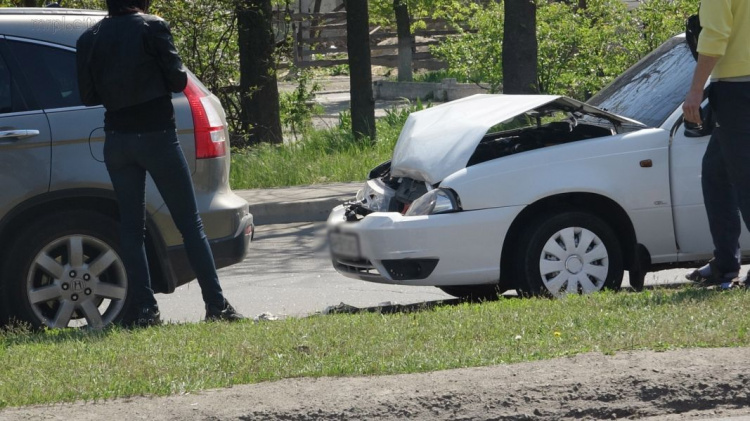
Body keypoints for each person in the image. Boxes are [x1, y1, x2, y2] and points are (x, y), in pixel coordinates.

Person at [76, 0, 244, 325]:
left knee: (131, 228)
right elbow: (179, 81)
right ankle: (216, 306)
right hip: (157, 136)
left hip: (118, 140)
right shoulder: (152, 26)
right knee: (189, 223)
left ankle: (145, 310)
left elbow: (87, 95)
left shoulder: (89, 38)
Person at [683, 1, 750, 287]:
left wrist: (696, 91)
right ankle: (725, 263)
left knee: (745, 180)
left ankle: (726, 264)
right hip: (740, 85)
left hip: (737, 87)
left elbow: (715, 36)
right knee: (716, 175)